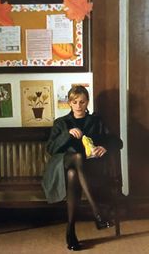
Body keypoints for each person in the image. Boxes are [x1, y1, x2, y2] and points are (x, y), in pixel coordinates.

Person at [42, 85, 122, 251]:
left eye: (82, 102)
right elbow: (50, 149)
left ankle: (70, 232)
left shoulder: (96, 121)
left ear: (87, 103)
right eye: (75, 102)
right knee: (76, 159)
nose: (78, 105)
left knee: (73, 175)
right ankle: (97, 211)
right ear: (69, 103)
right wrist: (67, 134)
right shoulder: (61, 123)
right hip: (62, 164)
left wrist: (105, 146)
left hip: (87, 168)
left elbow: (117, 141)